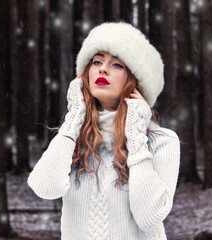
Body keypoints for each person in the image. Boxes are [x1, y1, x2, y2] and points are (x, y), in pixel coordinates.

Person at [27, 22, 180, 240]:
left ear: (136, 81)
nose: (103, 69)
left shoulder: (161, 141)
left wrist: (136, 137)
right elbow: (45, 187)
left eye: (117, 64)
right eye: (97, 61)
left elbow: (149, 217)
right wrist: (73, 120)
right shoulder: (74, 137)